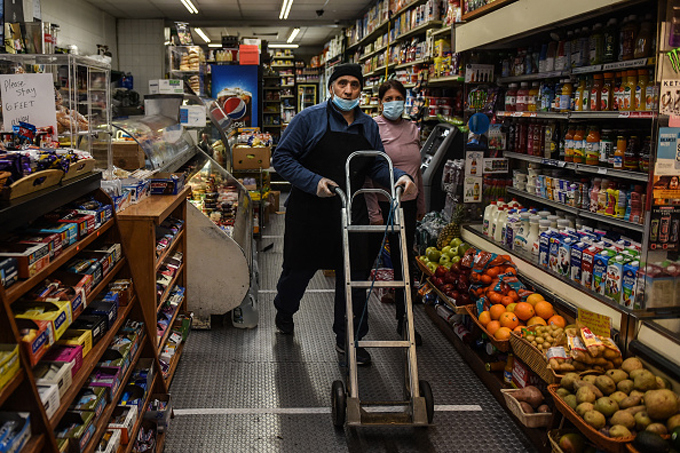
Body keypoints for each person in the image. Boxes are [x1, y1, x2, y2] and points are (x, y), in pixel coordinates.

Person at [272, 63, 416, 366]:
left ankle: (349, 338)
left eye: (354, 85)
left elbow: (375, 164)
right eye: (342, 84)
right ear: (331, 87)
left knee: (355, 278)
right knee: (297, 274)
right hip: (310, 212)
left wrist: (397, 176)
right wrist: (314, 181)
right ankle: (284, 310)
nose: (348, 90)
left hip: (352, 212)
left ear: (361, 90)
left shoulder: (368, 126)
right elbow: (282, 157)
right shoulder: (308, 119)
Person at [365, 80, 426, 345]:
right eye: (388, 98)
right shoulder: (372, 127)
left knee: (404, 262)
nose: (394, 102)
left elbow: (417, 171)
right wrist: (373, 210)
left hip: (407, 205)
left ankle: (405, 320)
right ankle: (357, 315)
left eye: (398, 97)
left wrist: (420, 204)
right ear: (380, 102)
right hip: (382, 204)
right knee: (366, 260)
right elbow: (366, 173)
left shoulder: (413, 128)